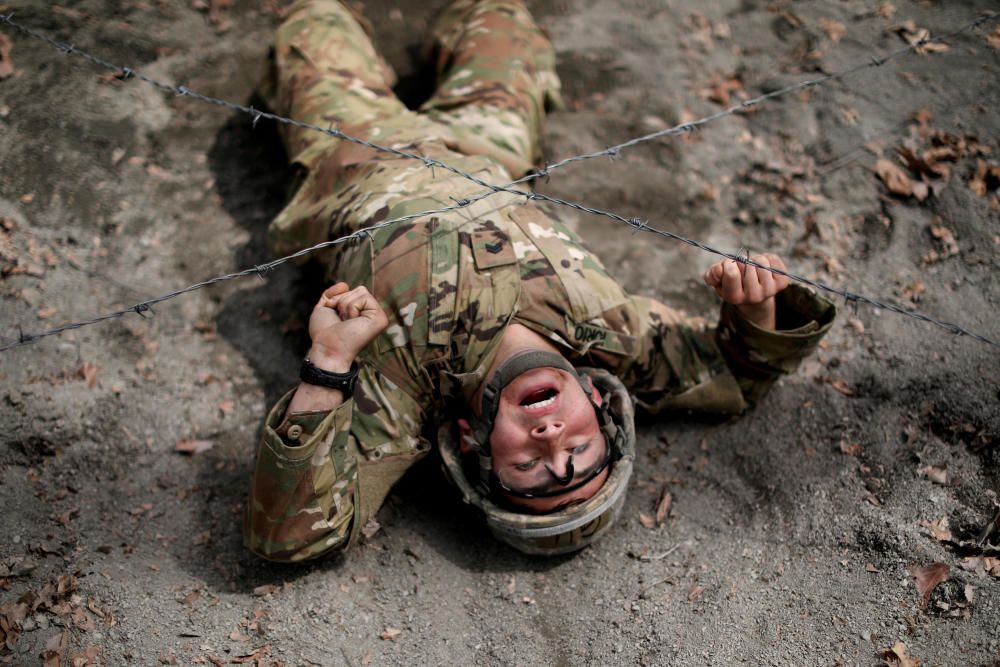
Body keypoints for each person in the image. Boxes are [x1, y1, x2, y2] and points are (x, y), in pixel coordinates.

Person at [244, 0, 836, 561]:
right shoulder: (621, 341)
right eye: (579, 451)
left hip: (359, 157)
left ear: (472, 444)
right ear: (600, 404)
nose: (551, 437)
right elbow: (737, 375)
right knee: (501, 17)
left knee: (311, 25)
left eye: (528, 466)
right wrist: (754, 307)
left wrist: (327, 365)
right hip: (483, 147)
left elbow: (291, 535)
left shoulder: (405, 389)